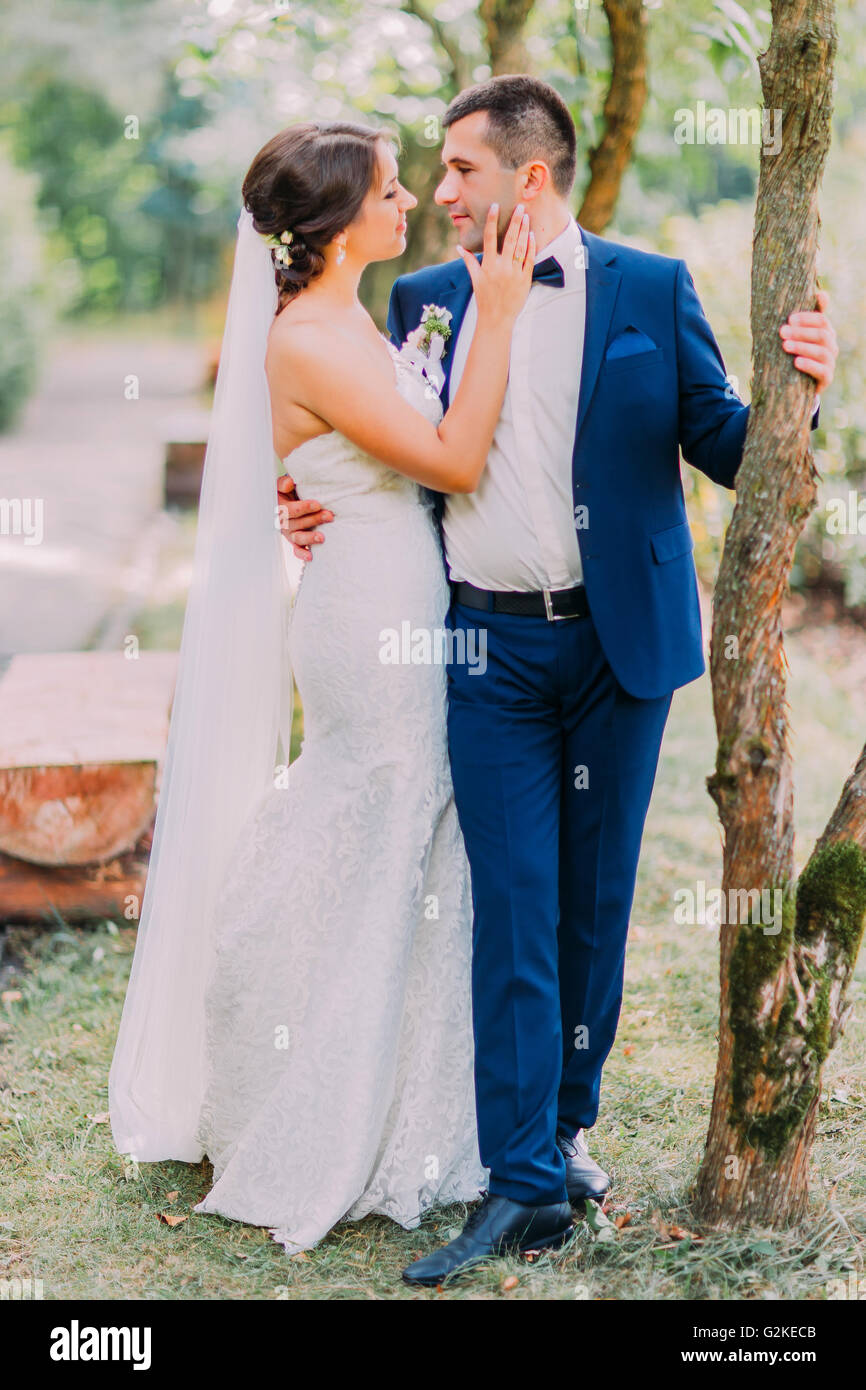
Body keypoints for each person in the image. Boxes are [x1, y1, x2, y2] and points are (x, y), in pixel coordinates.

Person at [278, 76, 838, 1286]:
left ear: (528, 178)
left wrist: (804, 386)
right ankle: (518, 1178)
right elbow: (378, 447)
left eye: (460, 172)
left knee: (594, 903)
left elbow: (732, 449)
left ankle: (568, 1131)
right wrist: (304, 495)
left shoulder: (648, 289)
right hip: (482, 653)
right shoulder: (422, 302)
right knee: (510, 907)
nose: (438, 194)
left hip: (617, 648)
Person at [108, 121, 552, 1257]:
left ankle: (413, 1099)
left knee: (398, 832)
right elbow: (448, 459)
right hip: (374, 618)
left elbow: (329, 456)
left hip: (386, 586)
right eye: (390, 190)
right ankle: (318, 1103)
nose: (409, 201)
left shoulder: (346, 313)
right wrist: (496, 315)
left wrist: (297, 491)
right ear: (335, 222)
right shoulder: (310, 333)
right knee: (381, 819)